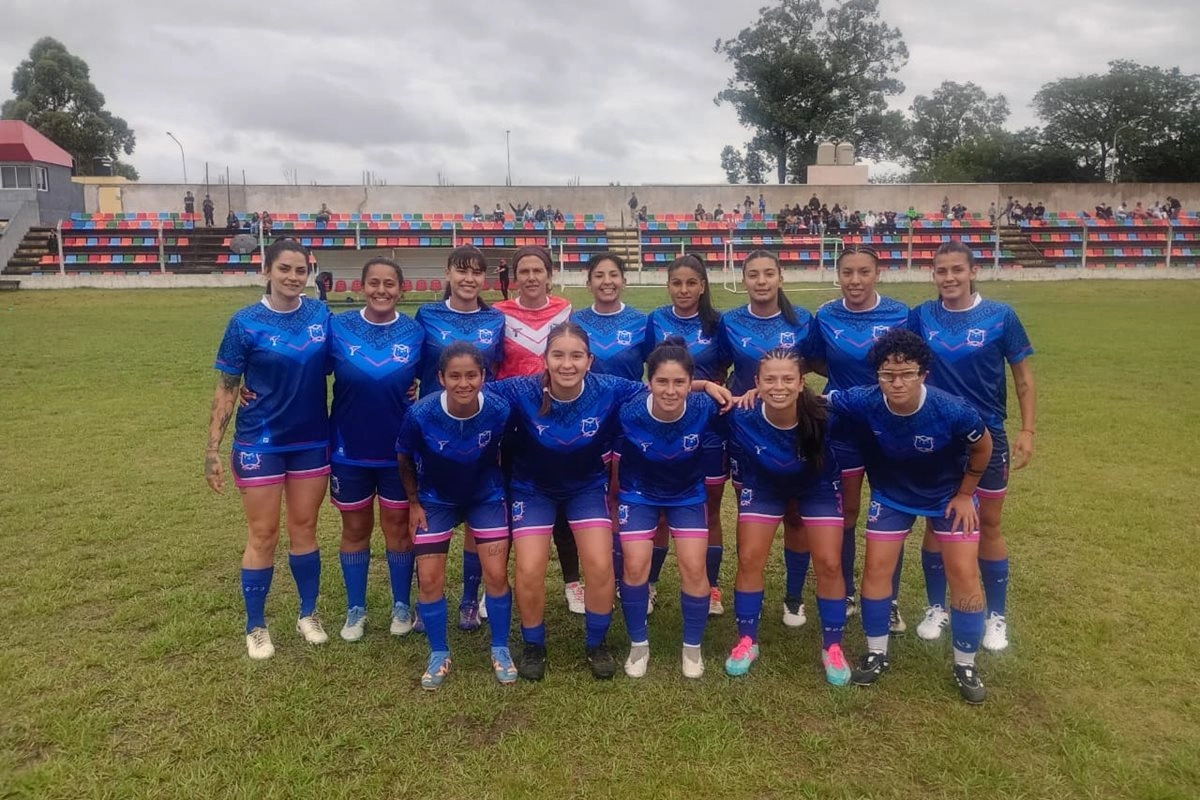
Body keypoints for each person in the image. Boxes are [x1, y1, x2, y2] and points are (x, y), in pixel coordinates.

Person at [487, 322, 732, 681]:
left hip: (586, 488)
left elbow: (663, 386)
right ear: (545, 359)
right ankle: (534, 645)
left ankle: (597, 643)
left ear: (590, 360)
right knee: (529, 568)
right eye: (558, 355)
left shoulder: (610, 388)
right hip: (532, 489)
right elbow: (471, 390)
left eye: (575, 356)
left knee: (601, 566)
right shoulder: (521, 389)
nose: (566, 364)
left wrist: (705, 384)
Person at [827, 329, 994, 704]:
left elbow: (984, 447)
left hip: (948, 498)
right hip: (892, 496)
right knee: (876, 570)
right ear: (878, 376)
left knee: (965, 573)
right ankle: (876, 652)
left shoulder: (952, 410)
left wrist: (966, 494)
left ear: (924, 375)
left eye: (906, 374)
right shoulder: (864, 400)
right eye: (888, 374)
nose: (896, 382)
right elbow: (820, 400)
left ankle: (965, 663)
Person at [206, 238, 331, 660]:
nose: (294, 278)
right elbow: (226, 389)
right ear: (267, 271)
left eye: (301, 271)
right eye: (285, 270)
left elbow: (345, 362)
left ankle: (308, 614)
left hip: (312, 440)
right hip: (261, 441)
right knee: (263, 533)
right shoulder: (244, 323)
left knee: (304, 530)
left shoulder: (320, 314)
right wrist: (212, 450)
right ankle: (255, 626)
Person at [908, 241, 1036, 652]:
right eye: (941, 271)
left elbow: (1023, 378)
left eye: (956, 270)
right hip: (936, 437)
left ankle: (995, 616)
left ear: (972, 271)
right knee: (936, 521)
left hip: (988, 435)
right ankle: (936, 607)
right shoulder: (922, 316)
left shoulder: (1001, 316)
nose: (949, 278)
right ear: (933, 275)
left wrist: (1028, 430)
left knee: (990, 525)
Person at [724, 348, 850, 685]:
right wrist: (705, 387)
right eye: (770, 379)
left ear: (800, 384)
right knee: (750, 558)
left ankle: (833, 646)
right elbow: (676, 390)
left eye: (787, 379)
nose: (778, 386)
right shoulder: (741, 413)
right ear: (756, 383)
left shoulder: (827, 414)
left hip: (818, 489)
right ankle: (747, 640)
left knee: (829, 563)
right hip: (764, 488)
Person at [397, 343, 517, 689]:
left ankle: (501, 648)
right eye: (454, 376)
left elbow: (508, 453)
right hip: (436, 499)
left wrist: (504, 492)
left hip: (486, 496)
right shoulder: (420, 414)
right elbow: (404, 459)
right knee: (430, 578)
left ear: (483, 376)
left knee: (496, 573)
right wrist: (415, 504)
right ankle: (438, 652)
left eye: (471, 375)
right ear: (440, 378)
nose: (463, 383)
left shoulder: (499, 409)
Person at [807, 246, 910, 630]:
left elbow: (912, 364)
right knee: (846, 512)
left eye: (863, 272)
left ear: (877, 274)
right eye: (847, 273)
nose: (855, 281)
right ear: (838, 276)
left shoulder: (901, 314)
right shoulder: (827, 315)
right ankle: (848, 590)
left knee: (891, 510)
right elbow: (815, 358)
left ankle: (892, 598)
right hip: (844, 428)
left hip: (891, 427)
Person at [322, 258, 424, 643]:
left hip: (399, 452)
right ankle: (356, 608)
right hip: (348, 449)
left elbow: (434, 380)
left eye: (390, 284)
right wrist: (255, 389)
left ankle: (401, 604)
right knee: (355, 528)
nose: (382, 290)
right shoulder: (340, 328)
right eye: (374, 283)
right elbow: (306, 373)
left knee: (399, 529)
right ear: (362, 286)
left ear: (402, 289)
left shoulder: (416, 333)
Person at [615, 338, 726, 679]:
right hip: (639, 493)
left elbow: (741, 410)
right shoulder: (628, 410)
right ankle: (639, 644)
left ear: (691, 384)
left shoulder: (705, 407)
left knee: (695, 567)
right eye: (662, 381)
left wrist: (712, 386)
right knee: (635, 566)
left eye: (680, 382)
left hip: (688, 494)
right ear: (649, 382)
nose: (670, 389)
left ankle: (692, 648)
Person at [720, 250, 816, 627]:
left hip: (793, 425)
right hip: (747, 430)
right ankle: (751, 593)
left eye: (768, 274)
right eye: (753, 275)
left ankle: (794, 598)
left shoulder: (804, 321)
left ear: (780, 278)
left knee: (796, 514)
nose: (761, 281)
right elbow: (718, 366)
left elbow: (813, 366)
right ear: (742, 280)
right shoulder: (729, 322)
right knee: (752, 509)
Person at [414, 246, 507, 630]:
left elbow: (499, 371)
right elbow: (414, 365)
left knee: (475, 514)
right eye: (461, 271)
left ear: (484, 279)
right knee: (429, 509)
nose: (469, 279)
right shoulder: (427, 315)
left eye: (476, 273)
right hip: (434, 429)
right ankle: (427, 599)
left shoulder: (495, 319)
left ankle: (470, 599)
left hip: (480, 430)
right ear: (448, 274)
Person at [493, 246, 582, 615]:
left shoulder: (566, 310)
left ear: (549, 274)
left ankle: (573, 582)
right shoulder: (498, 314)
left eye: (538, 270)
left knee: (564, 502)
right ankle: (495, 583)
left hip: (559, 420)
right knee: (511, 503)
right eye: (524, 271)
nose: (531, 277)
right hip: (512, 422)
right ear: (515, 276)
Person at [647, 254, 730, 616]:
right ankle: (649, 583)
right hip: (665, 423)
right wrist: (700, 384)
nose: (683, 289)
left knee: (710, 507)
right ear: (668, 286)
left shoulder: (719, 324)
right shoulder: (655, 321)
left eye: (691, 283)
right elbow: (650, 374)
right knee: (662, 510)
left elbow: (732, 369)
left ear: (702, 286)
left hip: (710, 425)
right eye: (676, 283)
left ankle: (711, 587)